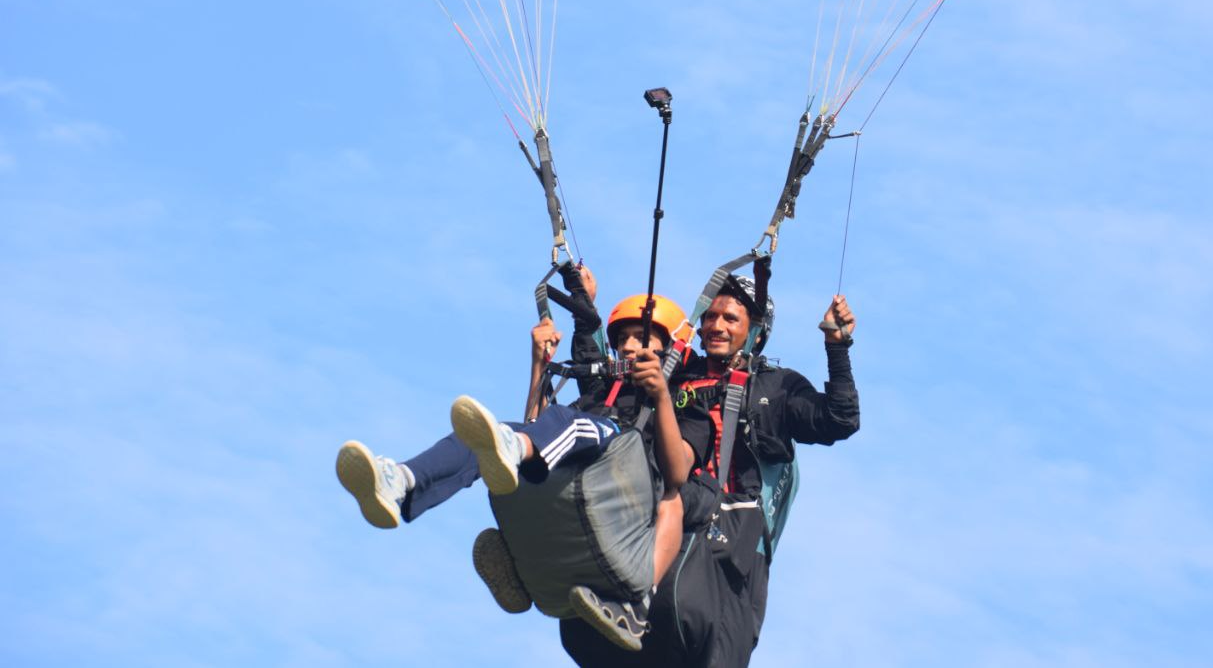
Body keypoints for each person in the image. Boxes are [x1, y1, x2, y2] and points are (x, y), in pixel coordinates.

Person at [334, 275, 713, 649]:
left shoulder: (687, 403)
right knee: (486, 437)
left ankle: (635, 601)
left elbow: (677, 474)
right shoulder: (601, 391)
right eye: (623, 339)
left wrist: (661, 395)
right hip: (580, 465)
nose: (629, 347)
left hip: (629, 479)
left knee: (566, 425)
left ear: (670, 349)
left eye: (641, 337)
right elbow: (537, 423)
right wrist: (540, 363)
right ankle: (398, 482)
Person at [560, 277, 860, 667]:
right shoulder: (678, 373)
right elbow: (607, 384)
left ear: (755, 331)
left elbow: (840, 419)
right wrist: (584, 306)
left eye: (731, 318)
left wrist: (837, 347)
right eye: (711, 317)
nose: (717, 325)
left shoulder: (777, 387)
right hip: (667, 502)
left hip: (735, 540)